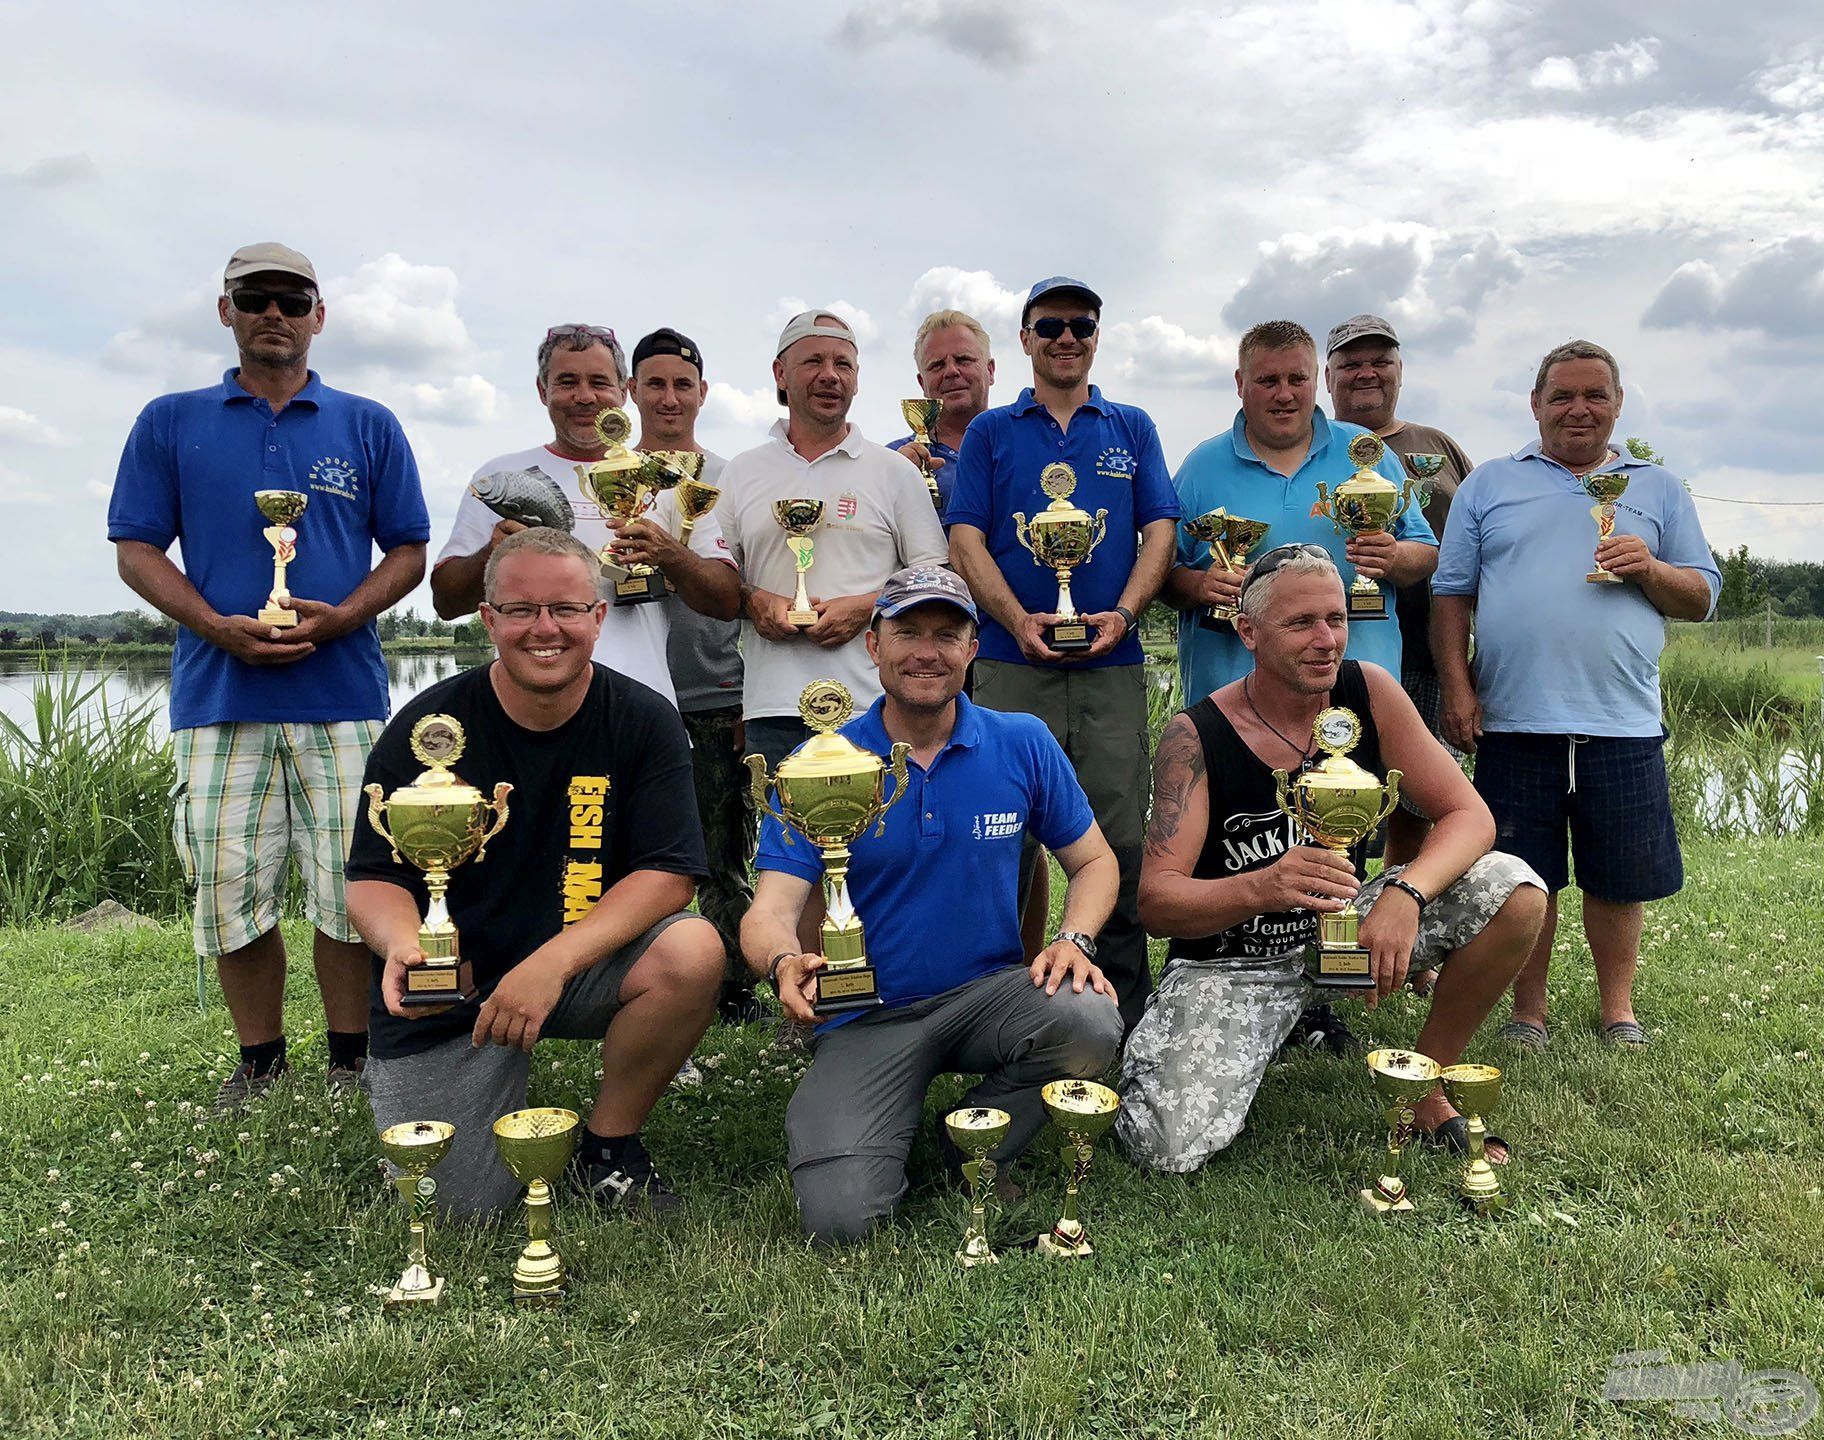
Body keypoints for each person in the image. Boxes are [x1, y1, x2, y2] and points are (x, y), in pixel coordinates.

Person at [107, 241, 430, 1111]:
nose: (274, 314)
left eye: (293, 299)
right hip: (218, 698)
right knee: (228, 887)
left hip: (346, 696)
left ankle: (351, 1057)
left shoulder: (367, 423)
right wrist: (212, 624)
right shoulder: (169, 420)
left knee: (352, 885)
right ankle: (259, 1063)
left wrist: (348, 614)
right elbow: (135, 547)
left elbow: (409, 550)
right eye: (256, 299)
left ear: (320, 315)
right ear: (227, 312)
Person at [1120, 545, 1546, 1173]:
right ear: (1248, 632)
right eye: (1301, 623)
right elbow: (1156, 901)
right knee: (1164, 1147)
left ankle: (1425, 1083)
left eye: (1337, 619)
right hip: (1233, 963)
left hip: (1353, 930)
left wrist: (1407, 896)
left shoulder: (1369, 691)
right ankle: (1266, 1029)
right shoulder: (1197, 735)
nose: (1327, 641)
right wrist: (1263, 886)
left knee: (1514, 888)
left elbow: (1470, 816)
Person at [741, 566, 1124, 1245]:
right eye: (907, 632)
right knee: (843, 1220)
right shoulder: (816, 763)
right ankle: (878, 1124)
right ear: (873, 645)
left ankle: (972, 1144)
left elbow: (1094, 862)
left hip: (988, 994)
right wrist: (781, 960)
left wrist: (1076, 939)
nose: (927, 651)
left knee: (1088, 1018)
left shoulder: (1021, 741)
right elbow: (769, 907)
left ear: (973, 649)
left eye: (947, 634)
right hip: (866, 1016)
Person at [350, 528, 724, 1217]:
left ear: (598, 618)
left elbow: (670, 875)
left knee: (692, 949)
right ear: (488, 618)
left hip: (580, 965)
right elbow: (373, 878)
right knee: (454, 1209)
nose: (544, 629)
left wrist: (550, 965)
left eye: (566, 609)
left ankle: (609, 1149)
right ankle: (416, 1075)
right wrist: (408, 947)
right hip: (456, 982)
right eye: (520, 610)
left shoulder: (646, 720)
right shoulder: (426, 729)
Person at [1432, 340, 1719, 1050]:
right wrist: (1458, 689)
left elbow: (1703, 596)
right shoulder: (1491, 483)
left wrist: (1649, 566)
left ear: (1618, 405)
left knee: (1617, 877)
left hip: (1621, 719)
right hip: (1513, 718)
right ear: (1536, 405)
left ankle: (1618, 1010)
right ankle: (1528, 1012)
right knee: (1521, 878)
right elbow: (1450, 594)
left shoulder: (1658, 488)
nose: (1578, 409)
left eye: (1595, 395)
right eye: (1562, 396)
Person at [947, 276, 1180, 1031]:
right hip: (1013, 663)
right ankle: (994, 999)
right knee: (997, 832)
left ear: (1097, 337)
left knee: (1118, 831)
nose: (1067, 338)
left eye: (1082, 324)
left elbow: (1160, 533)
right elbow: (966, 538)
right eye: (1050, 326)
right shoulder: (990, 431)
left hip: (1110, 664)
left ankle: (1123, 1004)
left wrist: (1123, 613)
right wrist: (1014, 620)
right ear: (1025, 340)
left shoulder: (1132, 425)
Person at [429, 323, 739, 706]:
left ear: (624, 392)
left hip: (642, 710)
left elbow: (725, 601)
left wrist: (668, 553)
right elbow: (445, 603)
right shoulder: (502, 479)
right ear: (543, 392)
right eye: (567, 382)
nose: (585, 396)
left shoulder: (665, 477)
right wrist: (492, 554)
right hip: (528, 714)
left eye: (599, 382)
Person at [718, 310, 947, 773]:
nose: (829, 376)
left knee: (885, 842)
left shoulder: (894, 472)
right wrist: (754, 600)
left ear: (857, 380)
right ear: (781, 374)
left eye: (843, 365)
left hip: (877, 706)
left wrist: (865, 607)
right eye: (813, 362)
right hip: (775, 708)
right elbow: (720, 579)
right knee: (785, 845)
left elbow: (934, 579)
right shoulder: (741, 472)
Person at [626, 327, 759, 1022]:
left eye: (683, 384)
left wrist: (752, 692)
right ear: (632, 392)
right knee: (637, 852)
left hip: (716, 692)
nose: (670, 397)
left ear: (703, 393)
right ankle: (640, 975)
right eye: (655, 383)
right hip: (630, 696)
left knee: (721, 851)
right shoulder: (606, 475)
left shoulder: (731, 477)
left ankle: (733, 985)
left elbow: (751, 589)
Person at [1323, 314, 1475, 870]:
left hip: (1434, 657)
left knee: (1420, 802)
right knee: (1340, 787)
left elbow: (1479, 550)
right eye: (1352, 363)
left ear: (1400, 371)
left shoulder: (1440, 449)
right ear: (1328, 376)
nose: (1367, 373)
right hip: (1347, 652)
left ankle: (1402, 922)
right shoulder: (1313, 450)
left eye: (1380, 361)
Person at [887, 308, 997, 513]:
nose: (951, 372)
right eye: (937, 365)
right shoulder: (892, 461)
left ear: (990, 371)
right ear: (922, 382)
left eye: (963, 359)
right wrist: (891, 485)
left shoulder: (1020, 447)